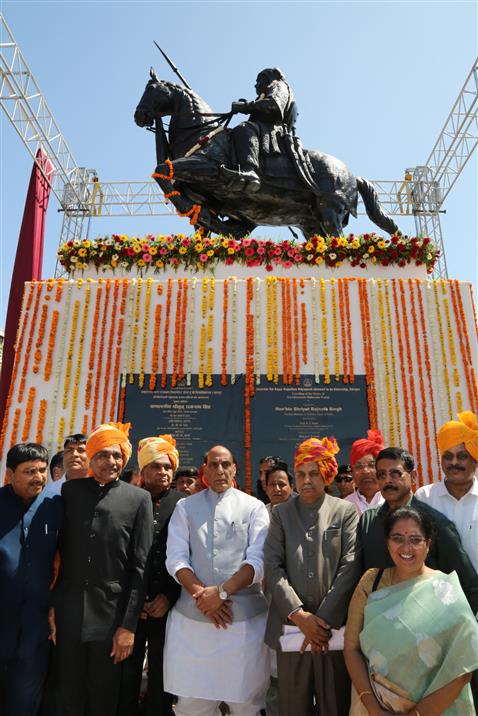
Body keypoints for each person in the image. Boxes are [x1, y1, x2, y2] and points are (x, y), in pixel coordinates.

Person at [51, 422, 153, 716]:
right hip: (69, 616)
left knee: (103, 696)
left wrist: (128, 627)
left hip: (111, 620)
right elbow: (58, 556)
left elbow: (140, 566)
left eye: (117, 456)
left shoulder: (138, 499)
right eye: (103, 455)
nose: (111, 462)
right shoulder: (70, 491)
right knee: (68, 694)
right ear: (91, 458)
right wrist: (53, 610)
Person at [164, 444, 270, 716]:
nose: (220, 470)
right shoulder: (185, 507)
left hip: (243, 623)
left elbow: (257, 561)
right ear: (205, 471)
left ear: (234, 468)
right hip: (192, 623)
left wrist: (221, 593)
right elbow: (176, 559)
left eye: (226, 464)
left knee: (246, 704)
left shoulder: (254, 507)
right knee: (192, 705)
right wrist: (203, 596)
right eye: (214, 465)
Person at [344, 506, 478, 715]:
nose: (406, 547)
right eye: (397, 538)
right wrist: (373, 707)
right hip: (376, 706)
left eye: (415, 540)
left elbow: (463, 667)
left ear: (428, 545)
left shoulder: (446, 590)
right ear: (387, 543)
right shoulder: (371, 581)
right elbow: (351, 647)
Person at [264, 437, 360, 716]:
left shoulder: (344, 511)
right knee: (293, 706)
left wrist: (323, 620)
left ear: (326, 475)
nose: (307, 480)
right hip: (291, 626)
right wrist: (300, 616)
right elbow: (272, 566)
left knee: (335, 703)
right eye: (302, 474)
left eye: (314, 474)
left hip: (333, 629)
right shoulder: (281, 514)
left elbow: (350, 565)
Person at [358, 446, 478, 614]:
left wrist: (453, 632)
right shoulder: (368, 522)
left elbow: (468, 585)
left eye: (395, 474)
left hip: (426, 626)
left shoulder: (435, 523)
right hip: (379, 625)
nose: (387, 481)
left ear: (413, 477)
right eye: (382, 475)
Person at [119, 434, 184, 716]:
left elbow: (186, 555)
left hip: (167, 605)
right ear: (143, 470)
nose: (163, 472)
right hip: (132, 605)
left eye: (168, 467)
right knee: (127, 671)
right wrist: (136, 602)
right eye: (156, 467)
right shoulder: (129, 500)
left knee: (162, 670)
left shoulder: (183, 504)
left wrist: (168, 596)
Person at [0, 443, 63, 716]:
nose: (38, 478)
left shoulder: (55, 508)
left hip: (35, 628)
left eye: (41, 471)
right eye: (29, 472)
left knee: (24, 704)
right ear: (9, 474)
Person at [416, 410, 478, 573]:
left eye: (462, 456)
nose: (454, 462)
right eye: (448, 456)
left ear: (475, 460)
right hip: (438, 593)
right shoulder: (424, 498)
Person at [223, 68, 297, 191]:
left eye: (259, 80)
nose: (256, 85)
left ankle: (249, 170)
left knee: (244, 129)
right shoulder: (265, 93)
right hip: (263, 128)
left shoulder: (278, 85)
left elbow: (273, 105)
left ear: (268, 78)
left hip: (272, 129)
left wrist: (245, 106)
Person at [345, 430, 385, 514]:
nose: (366, 471)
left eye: (371, 465)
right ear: (352, 473)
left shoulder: (392, 500)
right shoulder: (344, 506)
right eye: (359, 466)